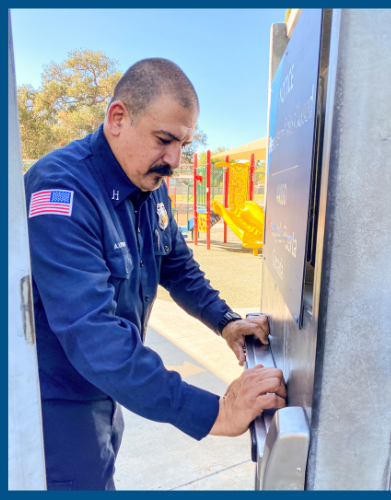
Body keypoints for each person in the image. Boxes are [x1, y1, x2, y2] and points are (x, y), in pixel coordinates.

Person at [24, 58, 286, 490]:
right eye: (164, 140)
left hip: (109, 391)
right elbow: (93, 336)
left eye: (183, 144)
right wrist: (216, 412)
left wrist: (224, 321)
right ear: (118, 118)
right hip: (56, 401)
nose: (174, 161)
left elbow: (176, 265)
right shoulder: (62, 192)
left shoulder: (149, 185)